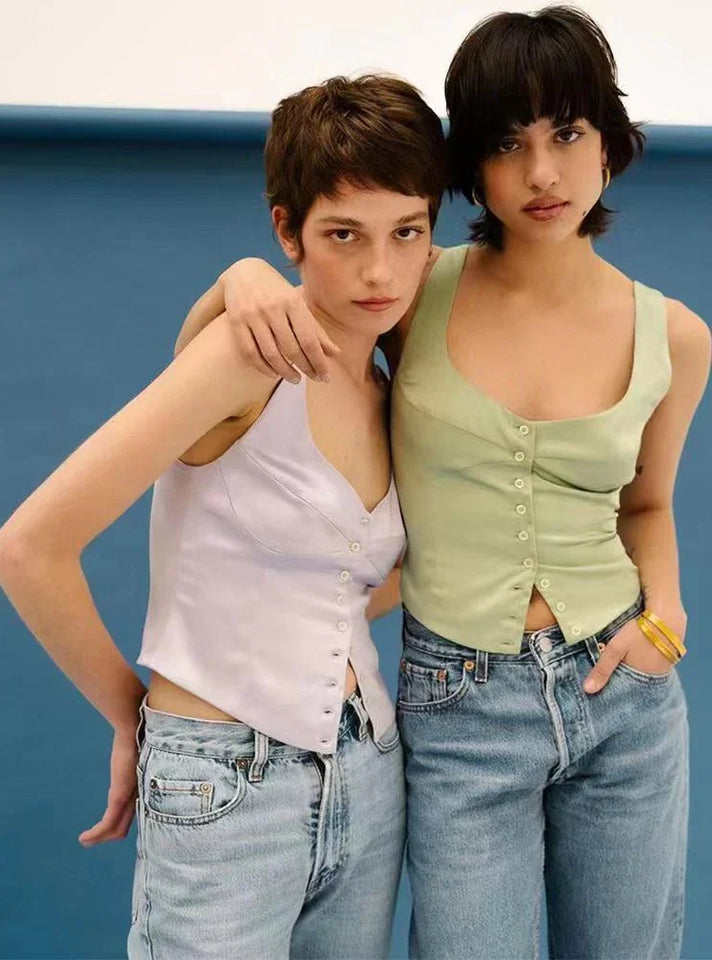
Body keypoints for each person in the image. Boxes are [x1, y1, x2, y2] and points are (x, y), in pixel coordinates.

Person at [172, 7, 711, 959]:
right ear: (471, 162)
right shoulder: (413, 289)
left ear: (611, 143)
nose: (542, 174)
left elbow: (650, 504)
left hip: (624, 698)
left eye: (569, 133)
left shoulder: (675, 336)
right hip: (459, 706)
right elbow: (276, 320)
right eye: (507, 142)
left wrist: (662, 622)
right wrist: (236, 276)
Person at [0, 74, 447, 958]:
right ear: (287, 231)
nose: (379, 270)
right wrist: (137, 719)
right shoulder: (242, 356)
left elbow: (339, 591)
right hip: (222, 785)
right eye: (342, 234)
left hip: (368, 768)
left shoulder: (391, 383)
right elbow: (27, 549)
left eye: (408, 232)